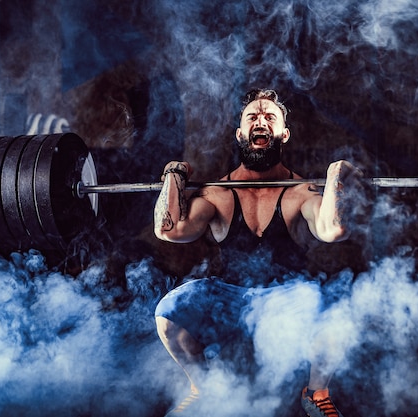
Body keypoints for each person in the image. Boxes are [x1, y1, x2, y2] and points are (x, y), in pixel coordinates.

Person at [154, 89, 361, 417]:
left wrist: (335, 177)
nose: (260, 121)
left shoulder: (300, 192)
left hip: (289, 296)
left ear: (283, 134)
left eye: (269, 117)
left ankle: (317, 392)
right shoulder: (219, 193)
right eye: (252, 117)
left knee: (340, 313)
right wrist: (174, 175)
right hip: (227, 295)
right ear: (240, 133)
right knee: (168, 313)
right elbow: (169, 230)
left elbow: (333, 230)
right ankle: (202, 385)